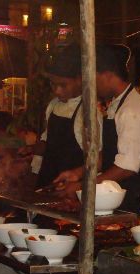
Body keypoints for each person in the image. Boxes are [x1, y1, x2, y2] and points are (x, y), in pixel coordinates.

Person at [55, 44, 140, 215]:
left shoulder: (130, 110)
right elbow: (112, 154)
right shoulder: (117, 104)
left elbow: (126, 166)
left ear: (106, 74)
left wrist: (84, 188)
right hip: (119, 193)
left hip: (138, 196)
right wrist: (79, 173)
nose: (91, 85)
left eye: (92, 78)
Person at [25, 43, 86, 188]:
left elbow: (96, 159)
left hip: (70, 188)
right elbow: (47, 142)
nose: (57, 91)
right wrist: (33, 167)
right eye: (53, 84)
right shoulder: (53, 105)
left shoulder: (87, 113)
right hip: (47, 183)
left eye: (63, 85)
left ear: (79, 80)